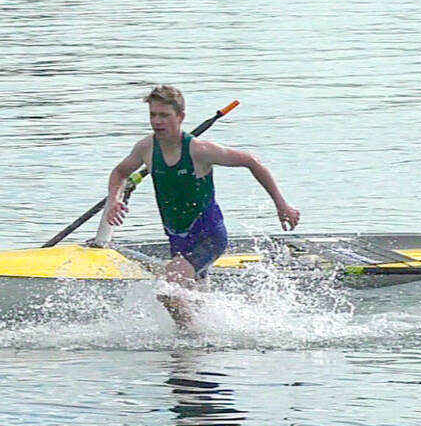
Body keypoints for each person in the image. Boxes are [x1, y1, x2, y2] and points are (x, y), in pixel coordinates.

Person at [102, 85, 300, 327]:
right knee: (196, 303)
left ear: (180, 117)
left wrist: (282, 205)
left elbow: (251, 161)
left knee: (168, 289)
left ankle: (191, 342)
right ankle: (199, 353)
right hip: (177, 239)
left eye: (164, 115)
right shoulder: (146, 148)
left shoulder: (199, 150)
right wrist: (115, 199)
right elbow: (120, 172)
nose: (157, 121)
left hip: (208, 235)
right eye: (153, 115)